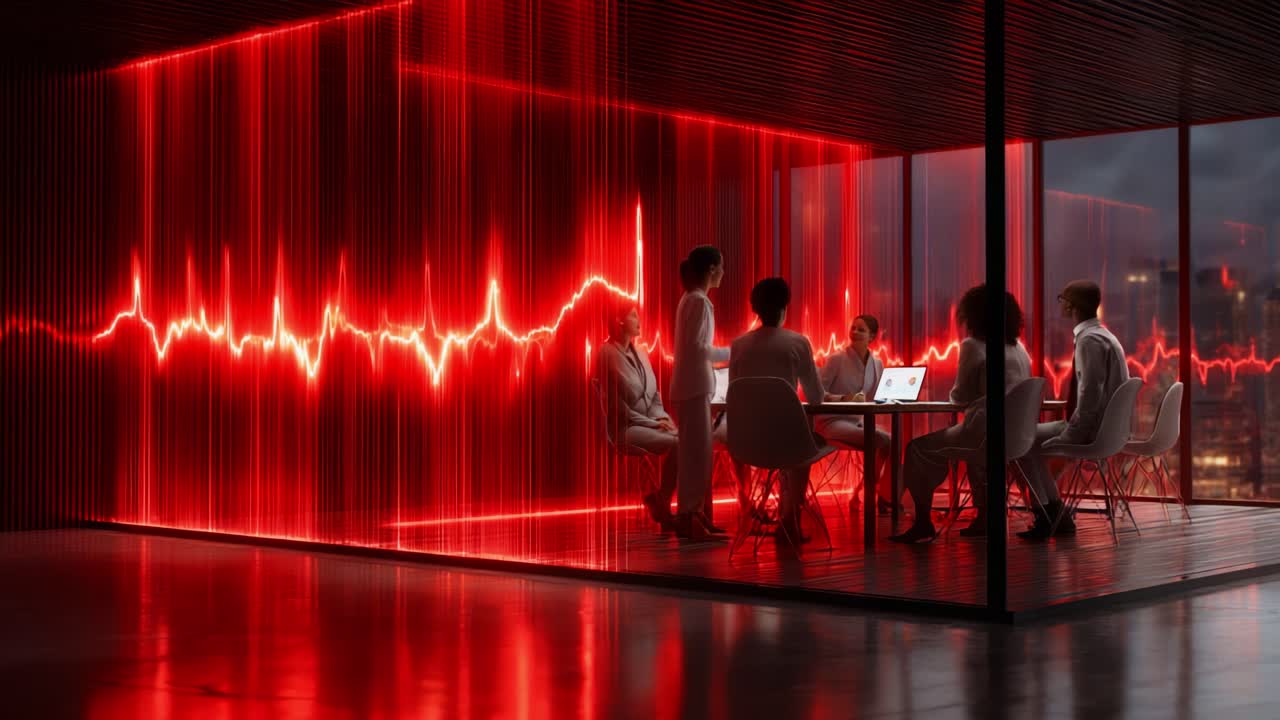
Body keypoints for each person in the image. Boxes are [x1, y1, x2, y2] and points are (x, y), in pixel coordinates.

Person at [888, 285, 1033, 543]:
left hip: (983, 433)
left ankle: (922, 522)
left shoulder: (973, 346)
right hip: (1016, 436)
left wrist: (956, 395)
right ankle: (985, 516)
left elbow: (961, 396)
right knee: (975, 452)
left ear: (973, 316)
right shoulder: (1020, 349)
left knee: (917, 449)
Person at [1016, 280, 1129, 540]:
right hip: (1107, 430)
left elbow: (1090, 393)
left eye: (1062, 299)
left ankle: (1050, 515)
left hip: (1091, 431)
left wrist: (1071, 433)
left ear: (1071, 304)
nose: (1061, 304)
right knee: (1027, 442)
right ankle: (1055, 514)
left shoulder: (1089, 341)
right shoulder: (1105, 336)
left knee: (1021, 442)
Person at [729, 277, 839, 541]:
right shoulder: (797, 342)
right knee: (803, 447)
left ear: (755, 309)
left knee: (791, 446)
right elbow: (815, 398)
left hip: (748, 443)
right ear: (785, 307)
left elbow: (735, 390)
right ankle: (790, 520)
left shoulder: (739, 345)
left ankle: (780, 518)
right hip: (788, 443)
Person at [595, 302, 679, 530]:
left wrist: (664, 419)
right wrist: (652, 423)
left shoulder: (641, 353)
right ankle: (663, 499)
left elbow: (654, 395)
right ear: (619, 320)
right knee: (679, 444)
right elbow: (617, 407)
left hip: (649, 424)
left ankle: (664, 500)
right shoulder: (606, 353)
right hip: (625, 429)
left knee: (687, 440)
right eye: (633, 316)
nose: (639, 321)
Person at [670, 246, 731, 540]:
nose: (723, 272)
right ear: (710, 269)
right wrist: (736, 351)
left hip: (690, 385)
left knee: (695, 455)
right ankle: (690, 518)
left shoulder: (690, 300)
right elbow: (699, 349)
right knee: (697, 456)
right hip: (695, 386)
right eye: (720, 267)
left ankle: (693, 516)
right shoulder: (700, 302)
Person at [815, 315, 894, 515]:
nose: (855, 333)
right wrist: (843, 398)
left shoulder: (877, 363)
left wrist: (895, 396)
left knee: (890, 441)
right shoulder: (836, 359)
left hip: (857, 422)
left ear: (872, 336)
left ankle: (866, 492)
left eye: (861, 330)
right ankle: (873, 496)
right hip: (831, 422)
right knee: (881, 439)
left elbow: (878, 396)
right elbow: (816, 394)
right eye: (853, 328)